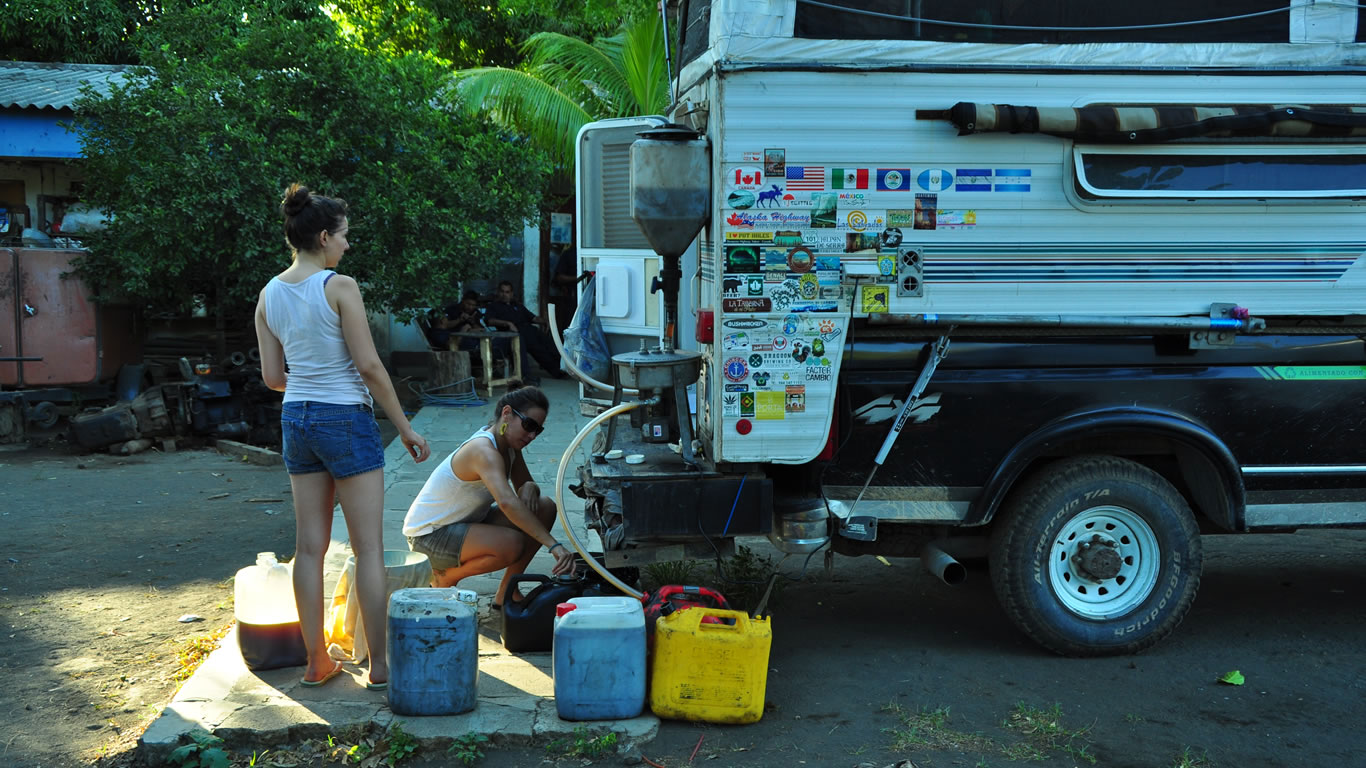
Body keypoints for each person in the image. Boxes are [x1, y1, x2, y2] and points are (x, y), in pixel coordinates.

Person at [254, 183, 432, 690]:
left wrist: (309, 383)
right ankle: (380, 667)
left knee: (308, 548)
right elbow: (370, 367)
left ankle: (317, 662)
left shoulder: (268, 295)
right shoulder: (339, 287)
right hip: (345, 418)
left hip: (296, 418)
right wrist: (404, 426)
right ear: (324, 237)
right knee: (368, 548)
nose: (347, 245)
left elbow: (272, 377)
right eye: (344, 236)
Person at [403, 384, 576, 607]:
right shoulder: (483, 450)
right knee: (511, 544)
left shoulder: (510, 446)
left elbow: (526, 489)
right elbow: (507, 503)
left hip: (465, 523)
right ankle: (446, 578)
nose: (532, 435)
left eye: (538, 430)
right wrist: (554, 546)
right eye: (529, 425)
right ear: (507, 413)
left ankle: (506, 592)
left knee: (545, 507)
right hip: (428, 536)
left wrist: (530, 486)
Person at [483, 280, 568, 383]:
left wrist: (545, 321)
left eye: (507, 292)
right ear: (498, 292)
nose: (504, 294)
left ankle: (565, 366)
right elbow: (490, 321)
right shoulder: (494, 306)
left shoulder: (518, 306)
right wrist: (508, 323)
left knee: (549, 343)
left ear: (511, 293)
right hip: (513, 334)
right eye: (502, 291)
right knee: (537, 348)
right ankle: (549, 372)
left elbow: (533, 318)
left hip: (529, 330)